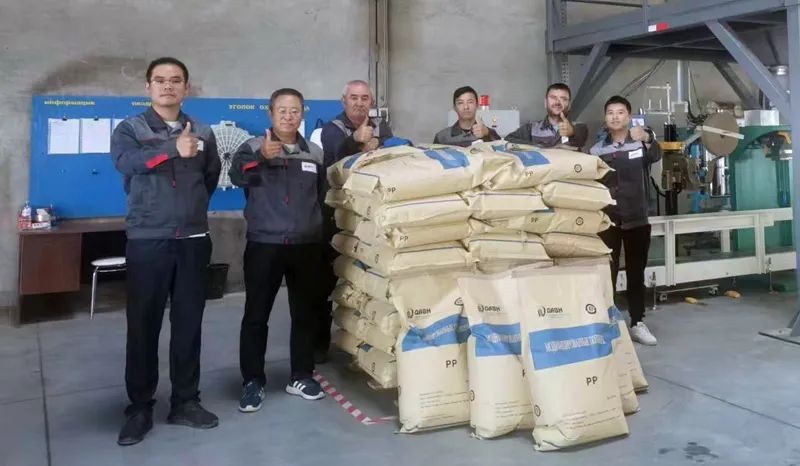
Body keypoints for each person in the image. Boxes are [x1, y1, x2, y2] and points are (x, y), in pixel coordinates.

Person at [111, 57, 221, 446]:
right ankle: (140, 407)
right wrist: (173, 148)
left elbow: (210, 176)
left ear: (186, 88)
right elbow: (126, 163)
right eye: (160, 80)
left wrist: (191, 210)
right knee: (143, 325)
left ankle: (185, 401)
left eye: (176, 80)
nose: (168, 86)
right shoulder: (130, 128)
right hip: (148, 239)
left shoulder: (203, 131)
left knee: (188, 325)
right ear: (148, 87)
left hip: (192, 239)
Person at [231, 88, 328, 413]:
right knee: (256, 314)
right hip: (265, 243)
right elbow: (236, 177)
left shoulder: (314, 152)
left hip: (306, 244)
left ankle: (301, 375)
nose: (288, 116)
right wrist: (262, 156)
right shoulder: (251, 147)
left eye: (295, 110)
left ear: (302, 114)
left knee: (304, 313)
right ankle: (252, 381)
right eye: (282, 110)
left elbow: (321, 195)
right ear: (270, 113)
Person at [315, 80, 393, 363]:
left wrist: (377, 146)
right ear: (344, 100)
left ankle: (364, 343)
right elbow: (334, 164)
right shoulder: (331, 129)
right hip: (337, 216)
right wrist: (356, 142)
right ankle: (318, 344)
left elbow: (391, 156)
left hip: (369, 215)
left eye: (364, 98)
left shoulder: (381, 127)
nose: (359, 103)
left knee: (367, 279)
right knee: (326, 281)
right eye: (354, 98)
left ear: (371, 102)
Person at [589, 95, 662, 346]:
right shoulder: (597, 150)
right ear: (605, 118)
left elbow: (656, 155)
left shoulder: (640, 142)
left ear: (628, 117)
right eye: (610, 112)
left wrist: (648, 137)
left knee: (635, 273)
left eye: (620, 112)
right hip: (608, 220)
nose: (615, 116)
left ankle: (637, 322)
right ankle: (608, 322)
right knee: (606, 272)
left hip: (637, 219)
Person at [506, 82, 588, 149]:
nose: (557, 102)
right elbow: (507, 140)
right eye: (553, 97)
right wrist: (538, 147)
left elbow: (581, 137)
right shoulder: (530, 128)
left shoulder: (580, 127)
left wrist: (572, 132)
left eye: (563, 99)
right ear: (545, 103)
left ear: (569, 105)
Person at [432, 86, 500, 146]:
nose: (466, 107)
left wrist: (487, 134)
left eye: (470, 102)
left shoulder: (488, 132)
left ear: (477, 105)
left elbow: (502, 151)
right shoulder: (442, 137)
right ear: (454, 108)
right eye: (460, 103)